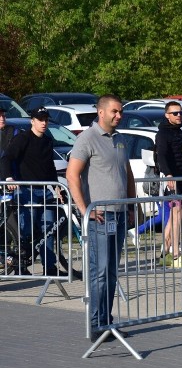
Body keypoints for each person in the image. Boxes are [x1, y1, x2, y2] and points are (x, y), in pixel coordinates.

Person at [67, 95, 136, 342]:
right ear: (101, 112)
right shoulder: (87, 139)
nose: (119, 116)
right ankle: (97, 323)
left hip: (118, 214)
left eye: (120, 112)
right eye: (115, 111)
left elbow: (126, 173)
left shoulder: (119, 139)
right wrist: (84, 210)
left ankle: (107, 321)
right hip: (99, 215)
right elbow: (72, 175)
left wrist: (131, 206)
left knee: (111, 272)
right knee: (101, 270)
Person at [0, 108, 61, 275]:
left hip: (45, 191)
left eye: (46, 119)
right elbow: (6, 158)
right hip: (27, 191)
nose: (43, 123)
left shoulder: (48, 140)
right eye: (40, 119)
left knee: (48, 229)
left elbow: (50, 166)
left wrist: (56, 186)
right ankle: (20, 266)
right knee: (26, 231)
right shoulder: (23, 138)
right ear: (32, 121)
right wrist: (9, 178)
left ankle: (50, 267)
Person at [153, 101, 182, 267]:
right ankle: (176, 255)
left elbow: (181, 151)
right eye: (175, 113)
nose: (179, 116)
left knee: (177, 214)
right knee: (176, 212)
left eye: (180, 113)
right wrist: (168, 174)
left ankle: (165, 253)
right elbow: (162, 155)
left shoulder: (177, 131)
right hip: (173, 178)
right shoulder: (163, 133)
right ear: (167, 115)